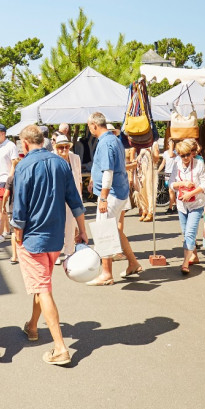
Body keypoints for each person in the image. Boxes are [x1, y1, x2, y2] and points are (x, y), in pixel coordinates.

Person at [13, 125, 87, 366]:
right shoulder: (60, 163)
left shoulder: (24, 165)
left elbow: (20, 206)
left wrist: (17, 233)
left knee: (43, 288)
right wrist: (82, 229)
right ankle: (32, 326)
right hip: (55, 235)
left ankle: (60, 347)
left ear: (25, 144)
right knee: (42, 281)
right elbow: (75, 199)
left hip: (34, 236)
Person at [87, 112, 141, 285]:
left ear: (95, 125)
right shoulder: (113, 140)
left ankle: (107, 274)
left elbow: (108, 172)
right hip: (119, 192)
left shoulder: (106, 143)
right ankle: (133, 262)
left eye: (89, 127)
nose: (89, 130)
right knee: (115, 231)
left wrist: (102, 198)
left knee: (104, 232)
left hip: (111, 195)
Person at [171, 139, 205, 275]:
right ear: (179, 155)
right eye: (183, 155)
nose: (186, 158)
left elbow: (204, 184)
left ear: (192, 153)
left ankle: (185, 263)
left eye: (188, 154)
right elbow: (171, 184)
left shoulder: (199, 164)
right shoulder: (176, 164)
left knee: (190, 233)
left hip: (196, 203)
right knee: (185, 232)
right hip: (181, 204)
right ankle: (195, 256)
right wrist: (182, 184)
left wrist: (191, 192)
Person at [53, 133, 83, 264]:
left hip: (72, 196)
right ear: (56, 147)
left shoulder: (75, 158)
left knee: (71, 225)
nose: (64, 150)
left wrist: (80, 198)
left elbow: (79, 179)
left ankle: (69, 252)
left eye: (66, 146)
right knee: (57, 225)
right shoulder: (52, 158)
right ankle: (55, 253)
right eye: (61, 147)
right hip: (57, 197)